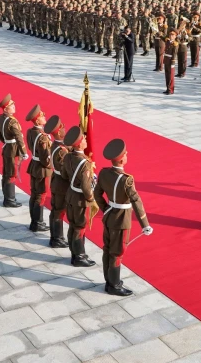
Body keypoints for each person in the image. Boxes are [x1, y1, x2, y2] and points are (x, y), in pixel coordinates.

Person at [93, 138, 152, 296]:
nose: (127, 155)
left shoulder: (104, 173)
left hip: (109, 215)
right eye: (125, 154)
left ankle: (108, 281)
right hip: (122, 220)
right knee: (117, 253)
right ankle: (114, 285)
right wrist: (145, 224)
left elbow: (96, 193)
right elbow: (136, 201)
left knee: (107, 249)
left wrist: (105, 208)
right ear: (121, 159)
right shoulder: (127, 180)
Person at [61, 125, 96, 267]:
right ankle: (79, 256)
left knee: (73, 226)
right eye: (84, 139)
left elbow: (64, 175)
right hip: (80, 199)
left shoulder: (68, 156)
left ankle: (75, 252)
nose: (86, 140)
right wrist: (91, 199)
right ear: (80, 142)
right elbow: (87, 188)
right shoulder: (85, 163)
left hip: (70, 195)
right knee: (80, 227)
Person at [0, 94, 26, 208]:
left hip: (7, 147)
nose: (14, 106)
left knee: (6, 174)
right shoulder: (12, 122)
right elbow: (19, 138)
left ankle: (7, 197)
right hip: (13, 150)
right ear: (6, 108)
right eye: (12, 105)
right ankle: (10, 199)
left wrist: (5, 140)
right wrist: (24, 151)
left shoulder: (0, 118)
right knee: (11, 174)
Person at [26, 104, 51, 232]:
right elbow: (45, 157)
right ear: (37, 121)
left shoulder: (30, 131)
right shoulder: (43, 137)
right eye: (42, 116)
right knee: (41, 195)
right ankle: (38, 222)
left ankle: (34, 221)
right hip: (42, 168)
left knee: (34, 193)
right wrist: (52, 166)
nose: (44, 117)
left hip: (34, 165)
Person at [45, 115, 69, 248]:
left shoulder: (58, 145)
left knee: (56, 209)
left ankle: (55, 236)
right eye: (63, 128)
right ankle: (56, 238)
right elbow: (65, 171)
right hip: (61, 184)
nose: (65, 129)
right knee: (59, 210)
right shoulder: (61, 151)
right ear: (59, 132)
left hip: (57, 182)